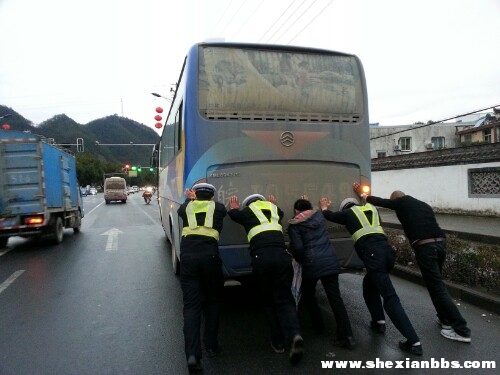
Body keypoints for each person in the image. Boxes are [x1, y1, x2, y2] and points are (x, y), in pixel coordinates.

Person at [353, 183, 471, 343]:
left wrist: (362, 194)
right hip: (441, 243)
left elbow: (378, 201)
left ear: (395, 198)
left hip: (425, 247)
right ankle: (444, 319)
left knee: (437, 287)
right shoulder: (424, 205)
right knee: (435, 284)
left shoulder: (401, 202)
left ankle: (462, 329)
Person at [319, 196, 423, 355]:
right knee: (369, 286)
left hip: (374, 256)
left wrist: (324, 207)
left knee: (390, 298)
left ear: (344, 208)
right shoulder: (371, 209)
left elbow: (329, 216)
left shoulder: (347, 213)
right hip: (387, 253)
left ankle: (414, 342)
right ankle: (378, 321)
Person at [228, 194, 304, 365]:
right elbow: (279, 212)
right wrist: (272, 204)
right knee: (286, 299)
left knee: (268, 300)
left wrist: (233, 207)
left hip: (262, 258)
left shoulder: (247, 213)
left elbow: (233, 215)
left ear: (249, 205)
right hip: (283, 257)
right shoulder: (275, 210)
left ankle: (278, 343)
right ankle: (295, 334)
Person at [287, 197, 356, 350]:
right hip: (330, 262)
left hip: (311, 264)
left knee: (308, 294)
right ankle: (348, 336)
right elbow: (313, 211)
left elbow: (298, 249)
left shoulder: (295, 226)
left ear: (296, 211)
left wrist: (296, 257)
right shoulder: (318, 217)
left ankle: (318, 325)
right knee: (335, 299)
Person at [177, 183, 227, 372]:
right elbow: (219, 210)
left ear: (194, 195)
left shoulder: (185, 208)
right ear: (212, 196)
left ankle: (192, 354)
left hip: (188, 259)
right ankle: (212, 346)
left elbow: (185, 208)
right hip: (210, 258)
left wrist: (190, 198)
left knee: (191, 307)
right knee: (213, 302)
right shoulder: (219, 208)